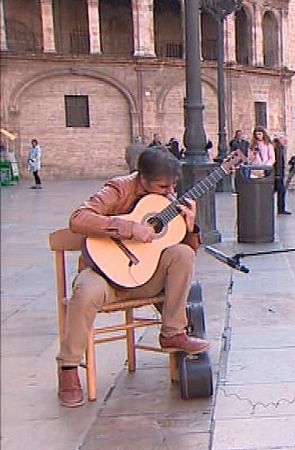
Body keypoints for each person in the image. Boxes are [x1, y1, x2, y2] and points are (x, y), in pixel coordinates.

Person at [57, 148, 209, 407]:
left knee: (182, 254)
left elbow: (183, 253)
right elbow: (78, 218)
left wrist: (191, 227)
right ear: (142, 179)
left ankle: (172, 332)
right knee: (85, 292)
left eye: (173, 185)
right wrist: (129, 229)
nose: (169, 192)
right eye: (163, 186)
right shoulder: (118, 189)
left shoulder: (166, 202)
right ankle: (69, 368)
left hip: (146, 276)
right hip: (106, 276)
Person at [272, 136, 291, 214]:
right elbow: (279, 161)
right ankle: (281, 209)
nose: (286, 142)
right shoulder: (278, 147)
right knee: (281, 191)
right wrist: (279, 174)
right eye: (285, 140)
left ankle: (279, 209)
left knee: (277, 191)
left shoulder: (277, 147)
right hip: (277, 174)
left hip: (277, 173)